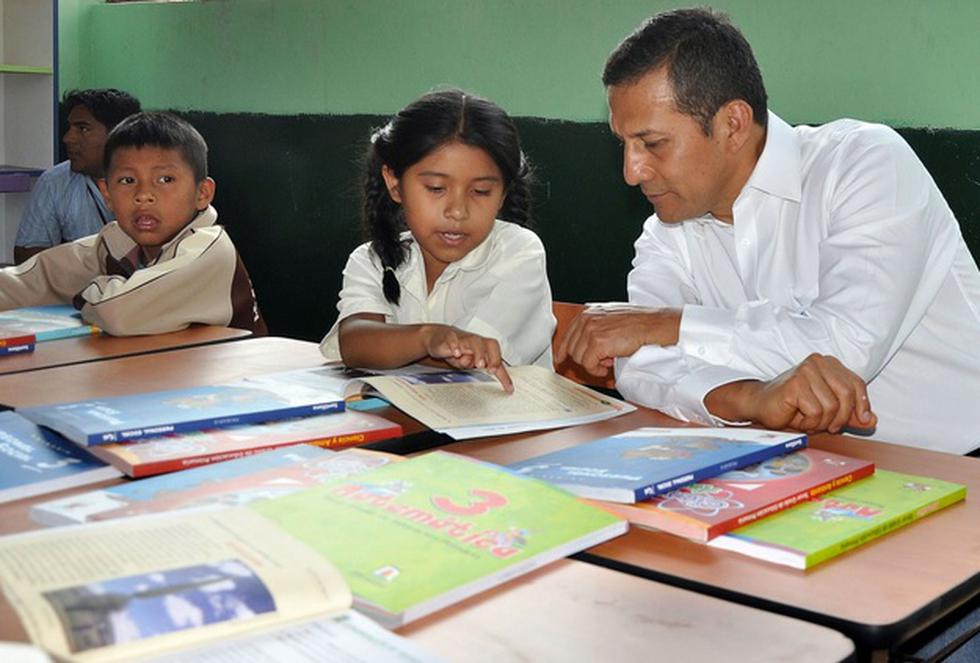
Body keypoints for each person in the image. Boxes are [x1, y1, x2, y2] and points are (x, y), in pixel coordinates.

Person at [557, 8, 980, 455]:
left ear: (733, 125)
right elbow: (642, 367)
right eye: (623, 144)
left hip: (960, 464)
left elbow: (843, 346)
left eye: (653, 144)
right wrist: (751, 399)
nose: (631, 171)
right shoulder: (667, 232)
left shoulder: (864, 165)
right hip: (801, 465)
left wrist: (666, 324)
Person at [319, 89, 555, 392]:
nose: (457, 211)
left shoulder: (519, 253)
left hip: (509, 430)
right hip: (414, 427)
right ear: (394, 183)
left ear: (503, 195)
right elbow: (355, 342)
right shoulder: (372, 259)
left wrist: (409, 345)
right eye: (435, 188)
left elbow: (471, 358)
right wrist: (428, 337)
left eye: (481, 191)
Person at [0, 112, 267, 336]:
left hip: (241, 390)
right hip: (170, 385)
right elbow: (32, 283)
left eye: (165, 180)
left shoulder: (209, 249)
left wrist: (92, 289)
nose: (144, 195)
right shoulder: (116, 243)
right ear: (107, 195)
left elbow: (118, 314)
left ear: (202, 194)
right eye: (127, 181)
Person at [14, 89, 141, 265]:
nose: (68, 138)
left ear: (119, 134)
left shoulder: (158, 180)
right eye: (69, 128)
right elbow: (27, 256)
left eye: (83, 129)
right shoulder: (55, 181)